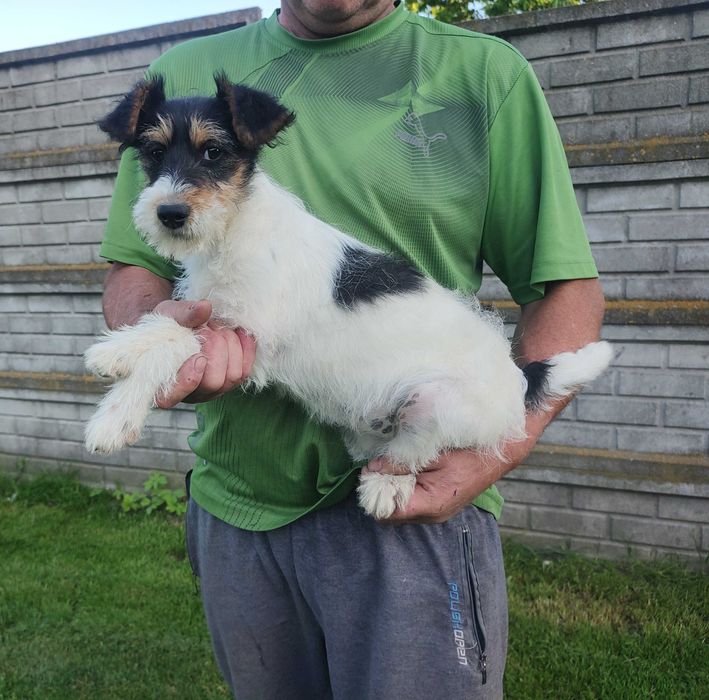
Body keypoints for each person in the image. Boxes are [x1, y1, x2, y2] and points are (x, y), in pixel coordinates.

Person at [98, 1, 605, 697]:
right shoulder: (180, 75)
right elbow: (135, 268)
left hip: (419, 502)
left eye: (213, 156)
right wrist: (162, 332)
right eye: (161, 157)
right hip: (237, 505)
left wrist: (492, 447)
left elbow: (565, 290)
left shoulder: (484, 74)